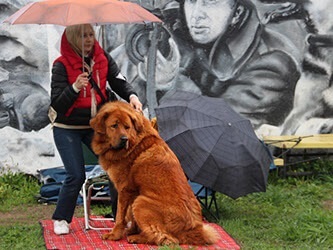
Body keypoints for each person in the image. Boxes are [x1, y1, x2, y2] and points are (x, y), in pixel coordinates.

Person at [49, 23, 142, 235]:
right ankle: (61, 218)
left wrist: (132, 96)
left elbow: (119, 82)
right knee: (76, 175)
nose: (89, 39)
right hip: (67, 127)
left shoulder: (103, 59)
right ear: (72, 38)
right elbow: (57, 104)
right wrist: (74, 88)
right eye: (83, 36)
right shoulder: (61, 65)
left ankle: (120, 217)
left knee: (117, 171)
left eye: (91, 34)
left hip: (97, 128)